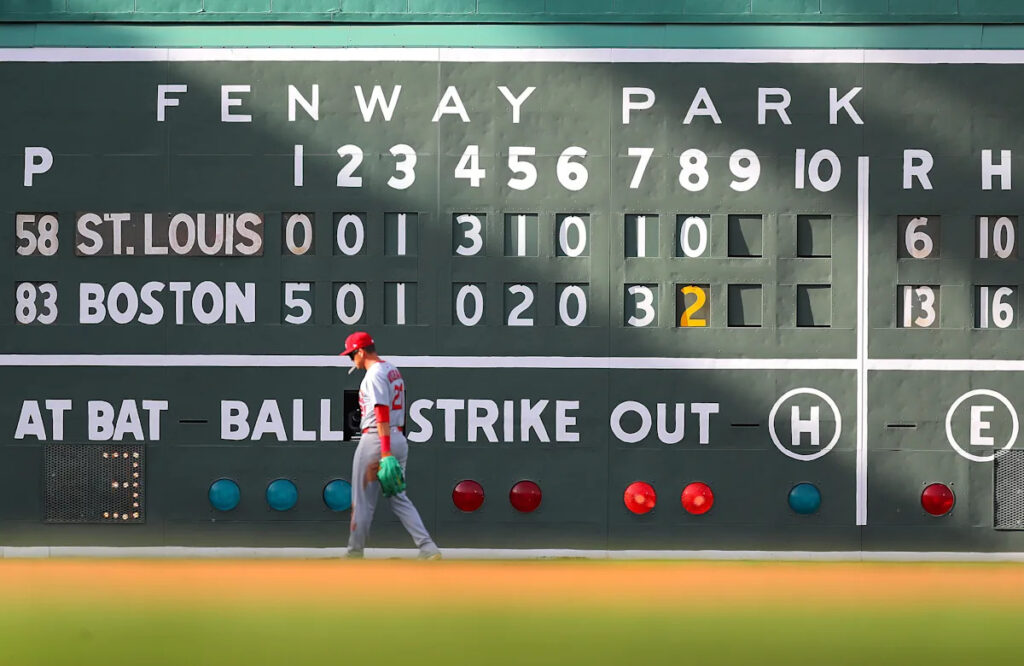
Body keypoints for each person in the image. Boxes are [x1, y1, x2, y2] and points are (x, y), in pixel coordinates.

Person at [341, 331, 441, 560]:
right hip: (398, 438)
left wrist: (385, 452)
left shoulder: (374, 374)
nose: (351, 360)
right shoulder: (391, 370)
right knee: (399, 499)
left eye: (351, 355)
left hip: (377, 440)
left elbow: (381, 411)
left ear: (361, 351)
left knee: (363, 502)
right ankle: (428, 548)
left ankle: (354, 552)